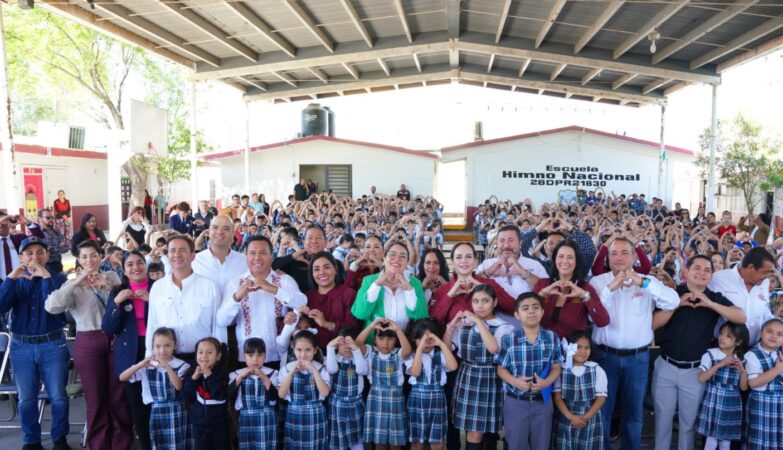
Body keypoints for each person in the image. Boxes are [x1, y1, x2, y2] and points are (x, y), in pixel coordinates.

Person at [588, 237, 680, 450]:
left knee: (634, 413)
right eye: (613, 253)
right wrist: (611, 288)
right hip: (604, 356)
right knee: (602, 409)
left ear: (634, 257)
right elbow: (593, 317)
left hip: (637, 359)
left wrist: (643, 283)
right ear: (607, 257)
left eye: (623, 253)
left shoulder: (647, 281)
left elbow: (673, 301)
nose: (618, 257)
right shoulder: (598, 282)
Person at [651, 254, 747, 450]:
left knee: (688, 424)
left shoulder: (714, 298)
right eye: (697, 268)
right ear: (686, 271)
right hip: (665, 366)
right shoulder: (672, 293)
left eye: (707, 270)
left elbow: (741, 317)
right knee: (662, 420)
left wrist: (709, 304)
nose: (702, 273)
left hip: (696, 372)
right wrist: (677, 304)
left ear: (712, 276)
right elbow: (652, 324)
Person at [45, 240, 132, 450]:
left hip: (115, 339)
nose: (89, 260)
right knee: (95, 398)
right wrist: (76, 282)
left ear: (100, 255)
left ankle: (121, 443)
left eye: (93, 255)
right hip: (88, 341)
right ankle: (99, 444)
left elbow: (126, 300)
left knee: (118, 395)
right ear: (78, 260)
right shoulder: (72, 283)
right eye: (84, 257)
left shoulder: (111, 276)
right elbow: (51, 307)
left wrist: (106, 285)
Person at [0, 237, 71, 450]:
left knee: (58, 395)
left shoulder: (58, 279)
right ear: (21, 257)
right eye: (29, 253)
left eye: (40, 252)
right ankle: (31, 441)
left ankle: (60, 439)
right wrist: (11, 279)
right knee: (26, 398)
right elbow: (1, 306)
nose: (35, 257)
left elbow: (56, 308)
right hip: (22, 347)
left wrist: (46, 278)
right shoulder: (14, 280)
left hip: (53, 344)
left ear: (47, 255)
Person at [442, 285, 513, 450]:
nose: (480, 305)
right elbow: (447, 348)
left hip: (489, 377)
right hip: (467, 376)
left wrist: (479, 322)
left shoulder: (503, 326)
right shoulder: (465, 324)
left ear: (494, 302)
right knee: (471, 431)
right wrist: (452, 326)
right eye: (476, 301)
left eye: (485, 301)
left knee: (482, 432)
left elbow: (494, 349)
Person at [218, 235, 306, 367]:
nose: (257, 258)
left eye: (263, 253)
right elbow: (222, 321)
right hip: (246, 357)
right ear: (246, 256)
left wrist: (274, 289)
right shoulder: (235, 284)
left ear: (272, 256)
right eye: (252, 253)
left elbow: (302, 303)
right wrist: (237, 297)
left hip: (278, 355)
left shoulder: (284, 280)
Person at [494, 292, 562, 450]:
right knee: (516, 444)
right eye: (525, 308)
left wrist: (546, 382)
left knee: (542, 445)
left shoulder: (552, 338)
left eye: (535, 307)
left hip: (543, 404)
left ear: (542, 312)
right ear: (517, 315)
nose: (531, 311)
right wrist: (515, 381)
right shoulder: (509, 340)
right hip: (516, 402)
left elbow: (556, 367)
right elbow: (501, 369)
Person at [101, 250, 155, 450]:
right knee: (138, 406)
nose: (136, 268)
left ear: (146, 265)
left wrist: (153, 300)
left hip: (156, 351)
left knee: (158, 403)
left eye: (140, 263)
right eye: (130, 264)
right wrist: (117, 303)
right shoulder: (118, 291)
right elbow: (107, 328)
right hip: (129, 353)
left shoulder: (158, 288)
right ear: (124, 270)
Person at [145, 234, 224, 361]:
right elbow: (152, 324)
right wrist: (149, 354)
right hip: (166, 359)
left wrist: (217, 359)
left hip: (201, 360)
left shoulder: (209, 286)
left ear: (193, 255)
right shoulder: (158, 287)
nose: (177, 255)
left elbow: (218, 327)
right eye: (172, 251)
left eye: (182, 250)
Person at [119, 327, 190, 450]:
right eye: (158, 346)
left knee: (176, 445)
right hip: (156, 411)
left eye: (167, 345)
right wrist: (141, 364)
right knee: (158, 444)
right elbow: (122, 377)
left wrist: (167, 367)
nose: (162, 350)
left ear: (175, 345)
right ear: (153, 346)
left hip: (176, 411)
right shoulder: (148, 365)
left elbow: (178, 386)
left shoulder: (182, 365)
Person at [533, 240, 609, 338]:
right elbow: (526, 315)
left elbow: (602, 321)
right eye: (561, 256)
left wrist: (584, 296)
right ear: (555, 259)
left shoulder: (585, 288)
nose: (565, 261)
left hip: (573, 350)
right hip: (544, 347)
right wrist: (542, 294)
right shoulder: (542, 284)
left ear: (576, 261)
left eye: (570, 257)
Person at [356, 318, 412, 450]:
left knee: (395, 441)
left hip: (395, 399)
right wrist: (371, 326)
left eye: (390, 339)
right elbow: (357, 343)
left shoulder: (398, 353)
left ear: (396, 340)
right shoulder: (370, 352)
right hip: (376, 398)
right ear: (374, 339)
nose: (385, 343)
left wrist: (397, 329)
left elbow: (408, 350)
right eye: (381, 339)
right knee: (379, 441)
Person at [351, 242, 429, 334]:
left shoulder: (415, 284)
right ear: (384, 259)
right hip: (374, 343)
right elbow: (360, 314)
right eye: (392, 254)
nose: (397, 259)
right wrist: (376, 285)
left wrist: (408, 289)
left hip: (405, 343)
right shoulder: (369, 281)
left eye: (403, 256)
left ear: (407, 262)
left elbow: (421, 317)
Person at [476, 225, 547, 326]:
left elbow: (546, 291)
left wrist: (525, 273)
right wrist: (487, 273)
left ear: (520, 243)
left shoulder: (535, 265)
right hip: (491, 324)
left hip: (526, 323)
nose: (506, 245)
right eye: (501, 240)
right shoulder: (487, 264)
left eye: (511, 240)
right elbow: (471, 284)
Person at [430, 242, 515, 326]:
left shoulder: (489, 284)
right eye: (459, 257)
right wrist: (449, 296)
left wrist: (485, 290)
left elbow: (513, 307)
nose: (464, 261)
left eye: (468, 256)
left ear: (475, 261)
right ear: (452, 263)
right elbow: (433, 322)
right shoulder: (443, 291)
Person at [405, 319, 458, 450]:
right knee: (417, 442)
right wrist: (419, 349)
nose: (426, 343)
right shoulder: (410, 356)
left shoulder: (440, 355)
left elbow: (453, 366)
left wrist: (440, 343)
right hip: (417, 401)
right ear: (414, 338)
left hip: (438, 401)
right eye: (421, 339)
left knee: (437, 443)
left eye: (429, 339)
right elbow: (415, 372)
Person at [695, 322, 750, 450]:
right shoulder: (710, 354)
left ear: (738, 341)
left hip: (732, 401)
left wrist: (742, 371)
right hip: (713, 398)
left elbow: (743, 388)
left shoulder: (742, 359)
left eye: (728, 336)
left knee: (726, 440)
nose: (722, 338)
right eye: (721, 334)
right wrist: (720, 364)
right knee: (711, 438)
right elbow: (701, 378)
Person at [553, 331, 608, 450]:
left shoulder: (597, 369)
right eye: (578, 347)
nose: (583, 351)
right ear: (569, 348)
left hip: (589, 417)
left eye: (587, 348)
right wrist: (572, 418)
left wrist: (585, 418)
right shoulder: (560, 370)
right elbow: (557, 397)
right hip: (566, 416)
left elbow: (601, 398)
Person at [709, 247, 776, 344]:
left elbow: (764, 312)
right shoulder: (718, 279)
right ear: (751, 267)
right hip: (722, 350)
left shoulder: (764, 283)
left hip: (753, 349)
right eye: (765, 272)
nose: (767, 276)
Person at [277, 330, 330, 450]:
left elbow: (325, 393)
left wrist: (314, 370)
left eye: (308, 350)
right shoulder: (286, 369)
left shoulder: (320, 368)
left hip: (316, 415)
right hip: (294, 414)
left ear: (315, 350)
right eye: (299, 350)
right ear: (293, 349)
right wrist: (291, 373)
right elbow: (281, 394)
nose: (303, 354)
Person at [228, 338, 279, 450]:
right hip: (246, 417)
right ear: (244, 356)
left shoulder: (273, 373)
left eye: (259, 355)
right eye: (250, 355)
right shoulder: (236, 374)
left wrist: (263, 377)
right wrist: (240, 377)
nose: (255, 359)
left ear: (265, 356)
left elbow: (274, 396)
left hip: (267, 418)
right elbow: (228, 395)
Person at [183, 337, 230, 450]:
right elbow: (186, 396)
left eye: (209, 352)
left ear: (218, 356)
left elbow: (220, 395)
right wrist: (194, 378)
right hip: (199, 425)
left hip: (220, 426)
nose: (204, 356)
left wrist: (209, 376)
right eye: (200, 352)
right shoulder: (191, 373)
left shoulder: (223, 373)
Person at [305, 252, 358, 349]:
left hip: (342, 353)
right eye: (316, 269)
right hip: (312, 355)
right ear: (312, 274)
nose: (322, 272)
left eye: (326, 267)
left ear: (336, 270)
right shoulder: (306, 297)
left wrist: (326, 324)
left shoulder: (348, 294)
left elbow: (353, 326)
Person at [743, 318, 783, 450]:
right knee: (760, 441)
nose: (774, 336)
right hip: (761, 404)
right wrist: (777, 369)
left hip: (780, 405)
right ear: (760, 333)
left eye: (779, 334)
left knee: (777, 440)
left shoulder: (780, 355)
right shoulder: (752, 355)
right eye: (769, 331)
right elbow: (753, 383)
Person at [325, 329, 367, 450]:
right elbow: (331, 370)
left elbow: (362, 370)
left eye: (350, 343)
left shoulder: (360, 359)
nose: (347, 346)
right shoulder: (332, 358)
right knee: (337, 436)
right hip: (337, 403)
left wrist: (356, 350)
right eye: (343, 343)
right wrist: (330, 347)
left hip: (356, 402)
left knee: (357, 435)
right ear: (337, 345)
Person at [274, 225, 344, 293]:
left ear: (325, 242)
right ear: (304, 242)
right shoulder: (295, 261)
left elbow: (340, 288)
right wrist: (289, 253)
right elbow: (273, 267)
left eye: (319, 238)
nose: (314, 241)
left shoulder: (335, 263)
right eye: (310, 238)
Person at [193, 215, 248, 297]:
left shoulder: (245, 263)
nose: (219, 232)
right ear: (208, 232)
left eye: (226, 228)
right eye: (215, 227)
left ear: (233, 235)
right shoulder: (194, 262)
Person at [25, 209, 70, 275]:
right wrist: (58, 246)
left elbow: (67, 246)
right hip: (43, 266)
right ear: (40, 219)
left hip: (57, 264)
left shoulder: (56, 232)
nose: (51, 219)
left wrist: (51, 249)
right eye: (48, 218)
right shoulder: (35, 233)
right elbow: (45, 250)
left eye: (52, 217)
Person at [0, 212, 25, 282]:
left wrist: (28, 223)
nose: (1, 225)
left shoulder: (19, 238)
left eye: (3, 222)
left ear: (9, 224)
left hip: (19, 282)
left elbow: (40, 238)